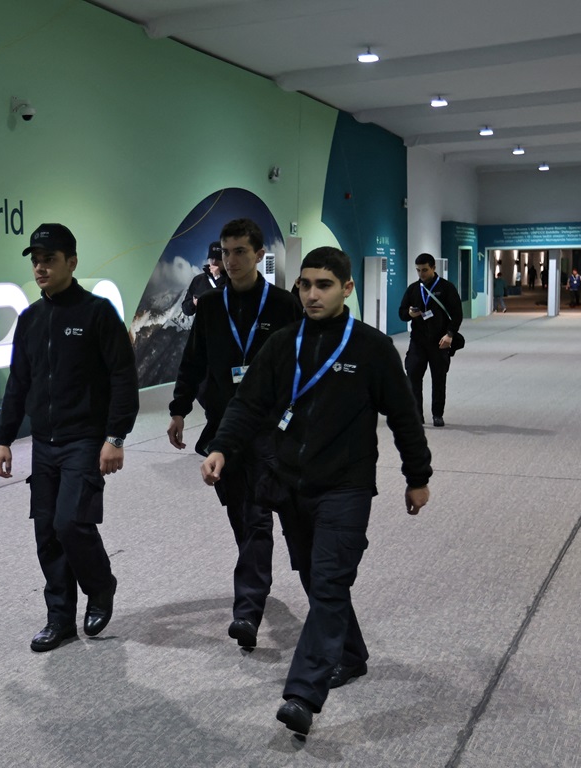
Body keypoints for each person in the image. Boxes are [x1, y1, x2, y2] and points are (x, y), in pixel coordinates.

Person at [200, 246, 432, 736]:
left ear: (347, 288)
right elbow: (248, 403)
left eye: (323, 285)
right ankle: (350, 653)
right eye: (304, 285)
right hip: (289, 483)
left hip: (345, 486)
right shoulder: (284, 344)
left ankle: (304, 693)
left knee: (328, 582)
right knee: (311, 575)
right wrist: (222, 446)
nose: (311, 294)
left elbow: (404, 417)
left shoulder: (371, 349)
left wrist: (418, 476)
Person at [0, 223, 140, 653]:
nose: (40, 267)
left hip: (86, 440)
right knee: (46, 533)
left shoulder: (97, 314)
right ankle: (59, 619)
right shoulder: (30, 320)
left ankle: (101, 585)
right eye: (36, 260)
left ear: (72, 263)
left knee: (70, 522)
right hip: (44, 443)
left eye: (49, 259)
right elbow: (18, 383)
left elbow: (123, 378)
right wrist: (4, 438)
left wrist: (116, 436)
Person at [167, 217, 303, 649]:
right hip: (225, 431)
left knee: (258, 516)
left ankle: (247, 611)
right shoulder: (210, 307)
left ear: (259, 254)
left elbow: (304, 365)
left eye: (240, 251)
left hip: (269, 430)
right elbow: (193, 363)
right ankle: (255, 588)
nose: (231, 261)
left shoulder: (284, 306)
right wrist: (178, 411)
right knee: (242, 518)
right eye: (225, 253)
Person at [398, 253, 462, 428]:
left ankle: (437, 414)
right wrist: (409, 314)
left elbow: (457, 315)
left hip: (440, 342)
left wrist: (450, 335)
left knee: (439, 379)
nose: (421, 274)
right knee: (413, 377)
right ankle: (416, 415)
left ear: (434, 268)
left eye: (425, 270)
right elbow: (402, 313)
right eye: (418, 270)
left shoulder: (447, 288)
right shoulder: (413, 289)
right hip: (418, 342)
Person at [181, 241, 225, 316]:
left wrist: (218, 279)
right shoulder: (198, 280)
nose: (214, 262)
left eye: (218, 259)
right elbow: (185, 309)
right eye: (211, 259)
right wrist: (193, 303)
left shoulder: (233, 279)